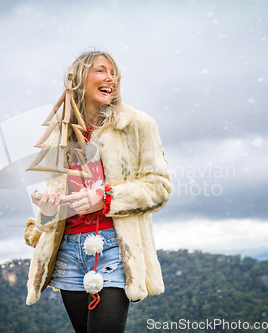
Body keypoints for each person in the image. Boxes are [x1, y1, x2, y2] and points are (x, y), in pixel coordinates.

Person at [24, 50, 172, 333]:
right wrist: (48, 209)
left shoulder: (138, 125)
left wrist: (105, 197)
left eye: (114, 73)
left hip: (115, 247)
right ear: (78, 79)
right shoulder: (60, 134)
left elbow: (160, 187)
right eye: (102, 71)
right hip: (67, 250)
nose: (111, 79)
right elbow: (57, 208)